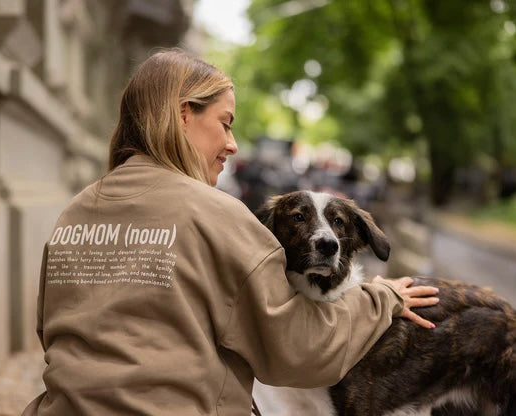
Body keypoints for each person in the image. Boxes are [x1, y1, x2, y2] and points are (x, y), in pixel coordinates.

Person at [22, 49, 439, 416]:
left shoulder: (76, 211)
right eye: (225, 123)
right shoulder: (216, 214)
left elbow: (51, 333)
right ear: (184, 113)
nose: (232, 144)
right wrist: (384, 298)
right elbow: (300, 350)